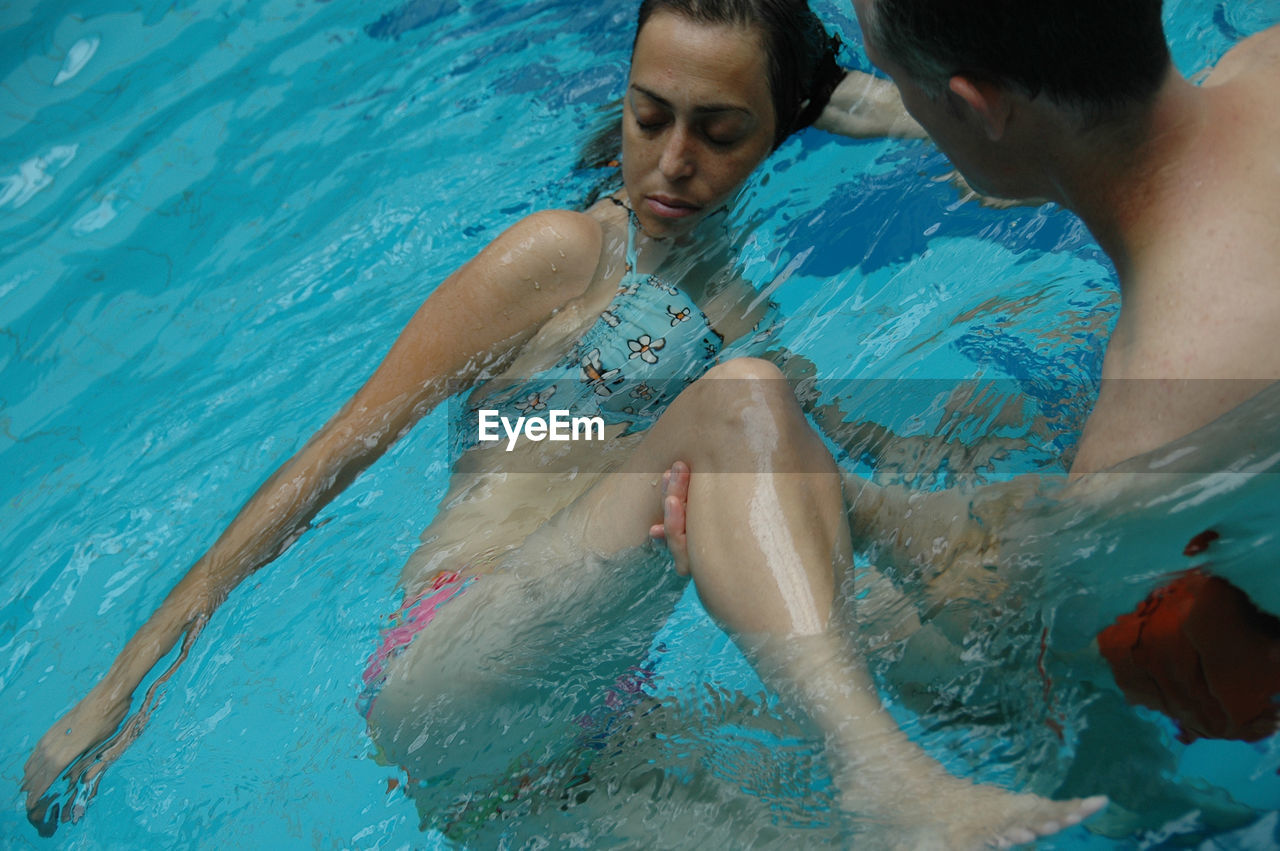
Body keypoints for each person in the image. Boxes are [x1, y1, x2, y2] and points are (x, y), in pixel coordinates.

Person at [20, 0, 1105, 846]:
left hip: (580, 744)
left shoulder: (747, 324)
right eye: (648, 117)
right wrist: (122, 685)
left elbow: (845, 470)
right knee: (745, 408)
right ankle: (882, 771)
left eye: (719, 132)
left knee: (980, 612)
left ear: (774, 134)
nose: (672, 159)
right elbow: (329, 457)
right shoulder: (559, 257)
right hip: (451, 665)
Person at [654, 0, 1280, 834]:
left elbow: (1005, 619)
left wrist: (837, 508)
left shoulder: (1160, 413)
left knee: (1021, 666)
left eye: (904, 89)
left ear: (979, 110)